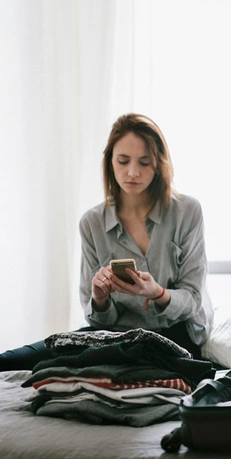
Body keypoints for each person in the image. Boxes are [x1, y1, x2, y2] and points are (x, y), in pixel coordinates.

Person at [1, 113, 214, 370]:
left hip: (176, 334)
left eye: (144, 162)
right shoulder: (92, 223)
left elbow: (193, 299)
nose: (132, 172)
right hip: (115, 335)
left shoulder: (187, 211)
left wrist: (157, 293)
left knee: (115, 361)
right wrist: (100, 297)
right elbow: (97, 320)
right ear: (110, 161)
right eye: (123, 161)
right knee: (24, 357)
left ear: (158, 164)